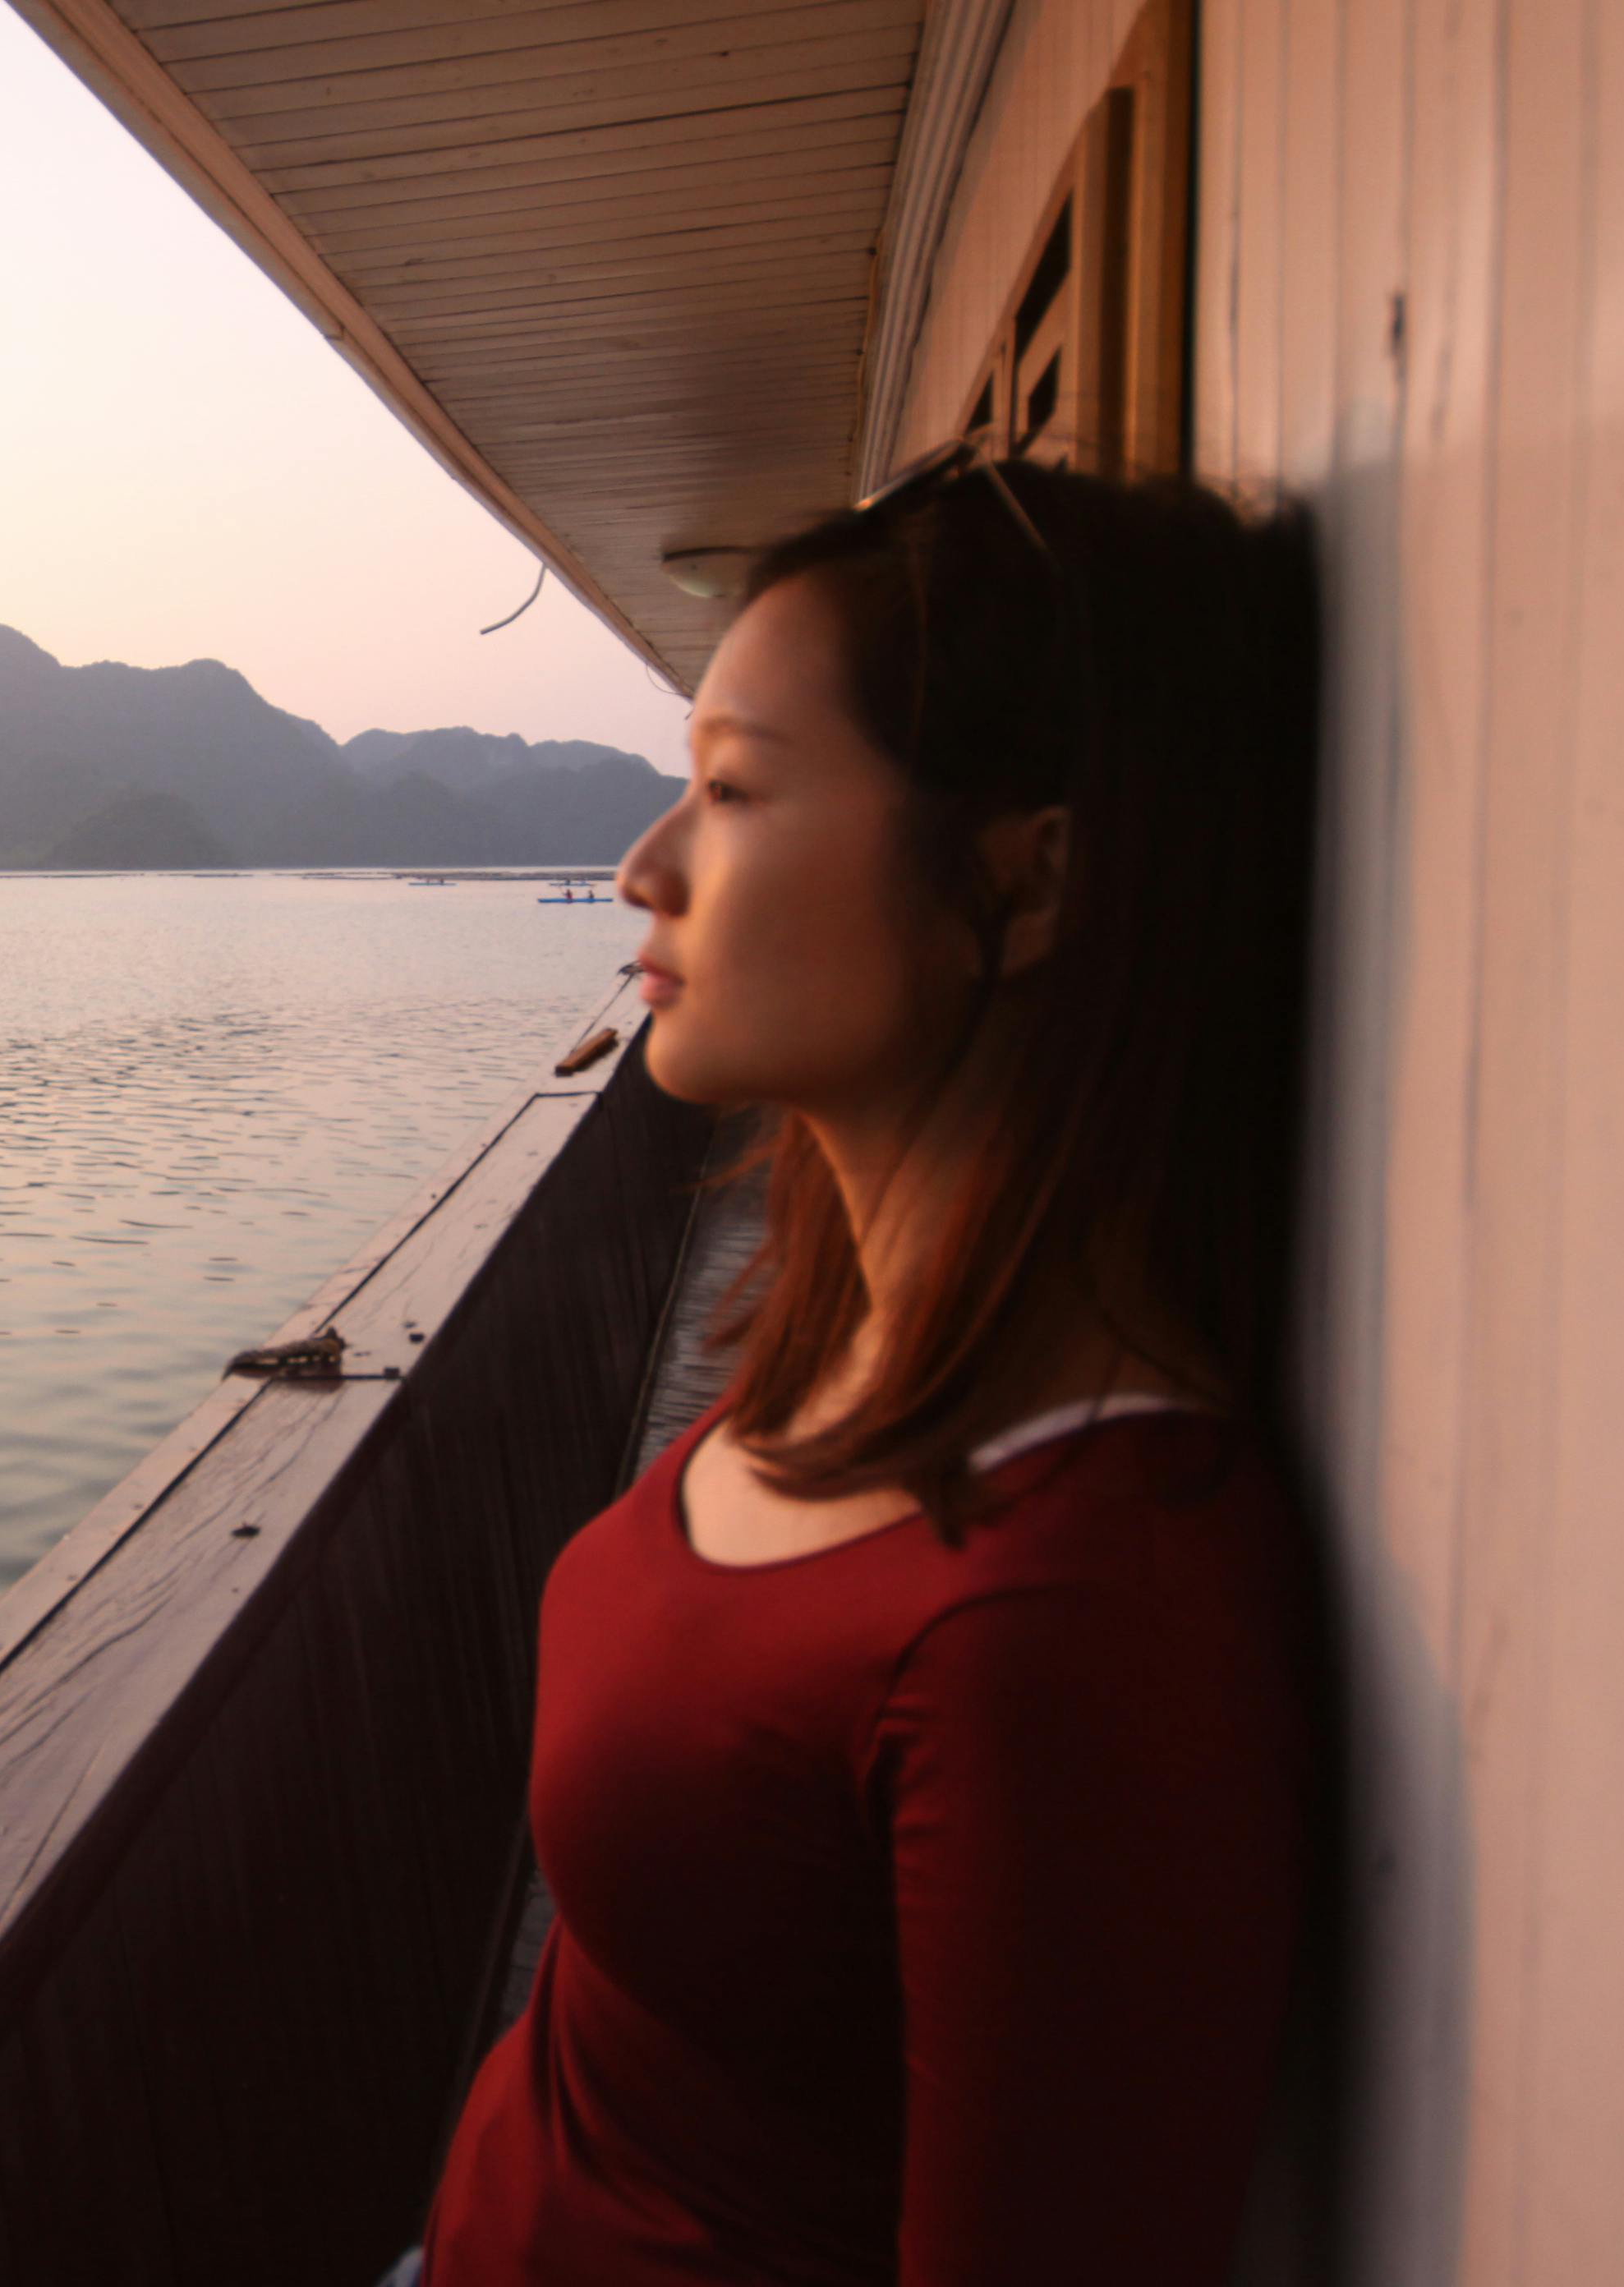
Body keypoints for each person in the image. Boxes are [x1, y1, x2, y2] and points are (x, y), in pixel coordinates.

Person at [412, 450, 1325, 2285]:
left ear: (1034, 875)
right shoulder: (855, 1341)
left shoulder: (1074, 1611)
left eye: (735, 790)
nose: (644, 866)